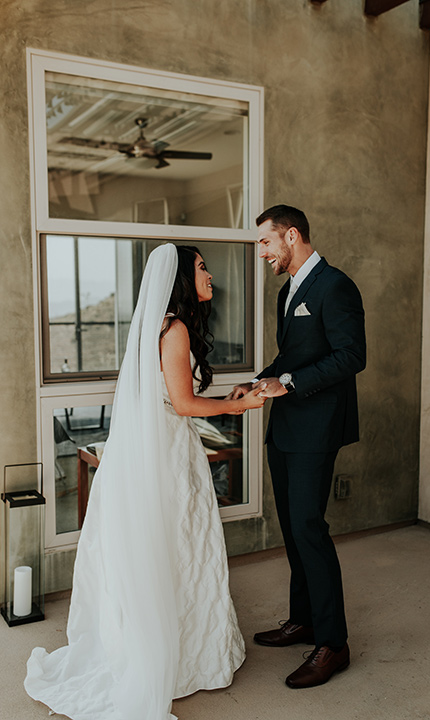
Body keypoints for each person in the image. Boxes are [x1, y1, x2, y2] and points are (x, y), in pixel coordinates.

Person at [25, 243, 266, 720]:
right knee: (180, 547)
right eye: (201, 267)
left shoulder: (163, 326)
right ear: (181, 277)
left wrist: (225, 395)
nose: (211, 275)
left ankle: (168, 644)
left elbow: (170, 394)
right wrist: (239, 406)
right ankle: (177, 657)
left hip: (162, 446)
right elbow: (182, 405)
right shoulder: (174, 328)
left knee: (170, 548)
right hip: (170, 451)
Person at [232, 205, 366, 689]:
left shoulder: (336, 286)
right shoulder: (289, 290)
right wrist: (262, 380)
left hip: (316, 429)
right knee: (292, 529)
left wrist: (287, 384)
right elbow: (294, 356)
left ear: (292, 235)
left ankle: (333, 644)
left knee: (309, 528)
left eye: (266, 243)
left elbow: (352, 356)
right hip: (285, 428)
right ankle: (303, 620)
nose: (262, 252)